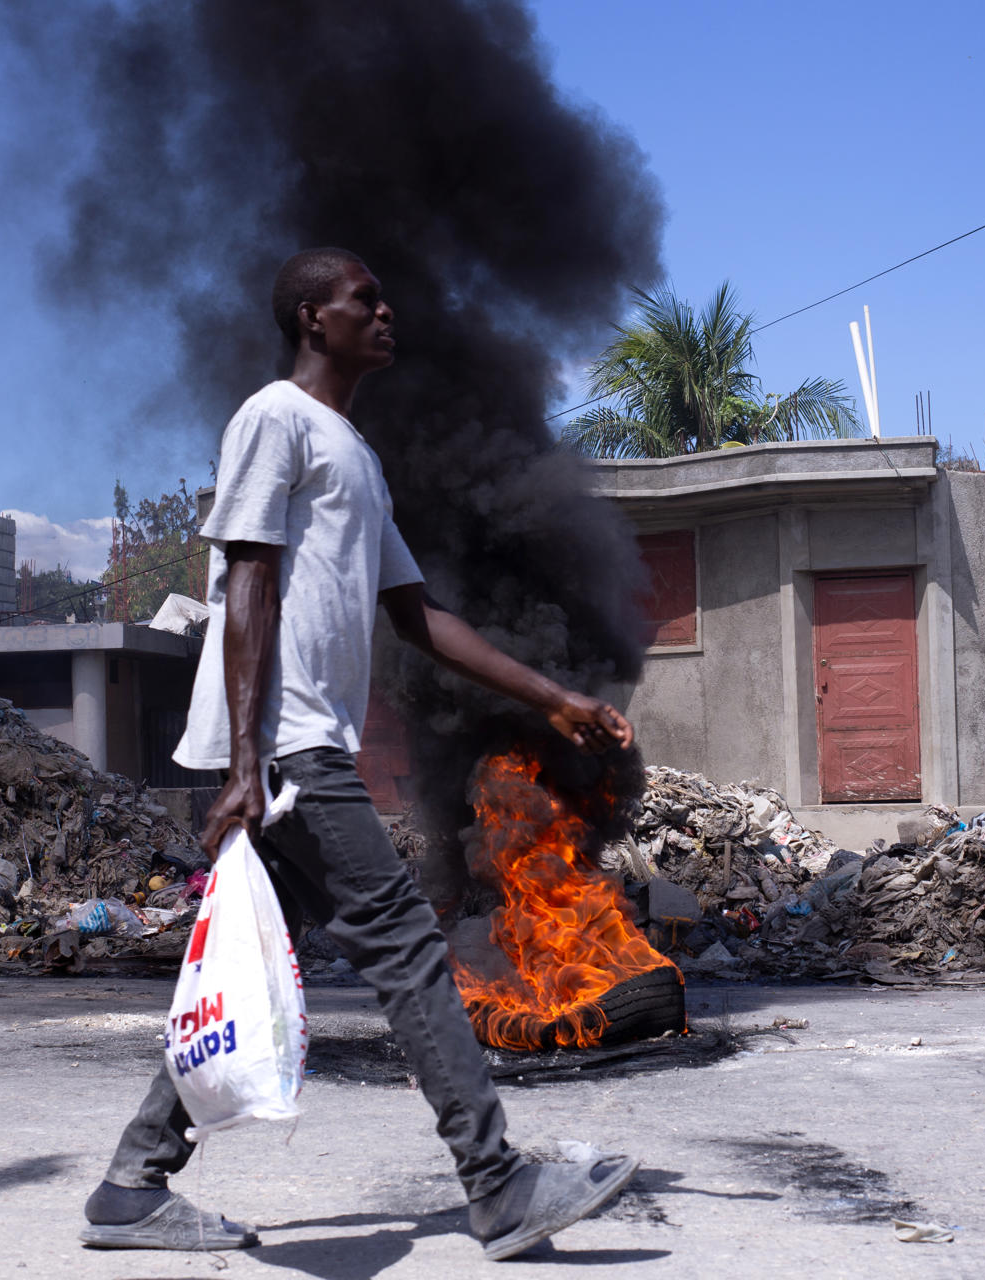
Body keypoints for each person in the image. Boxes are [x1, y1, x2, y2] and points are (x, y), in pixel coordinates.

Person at [80, 248, 640, 1261]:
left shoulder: (354, 453)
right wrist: (247, 758)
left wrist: (554, 696)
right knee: (405, 943)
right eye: (364, 300)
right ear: (311, 317)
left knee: (264, 945)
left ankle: (132, 1181)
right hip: (289, 740)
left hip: (297, 742)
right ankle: (498, 1181)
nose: (387, 311)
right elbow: (246, 578)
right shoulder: (274, 418)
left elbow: (417, 614)